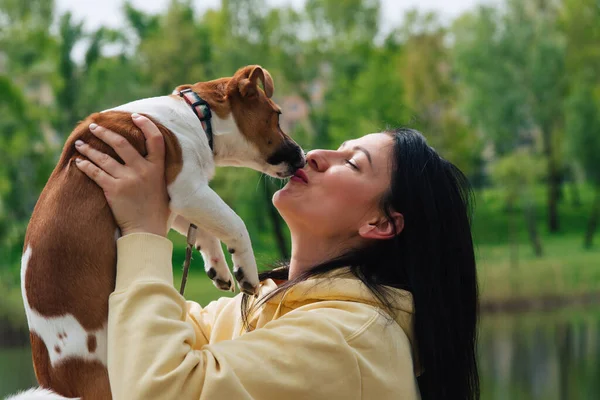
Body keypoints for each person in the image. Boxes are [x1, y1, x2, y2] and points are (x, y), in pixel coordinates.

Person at [74, 113, 480, 400]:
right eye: (340, 149)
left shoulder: (349, 343)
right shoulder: (255, 307)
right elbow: (126, 341)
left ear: (382, 223)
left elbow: (158, 391)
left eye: (352, 163)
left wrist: (144, 230)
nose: (318, 154)